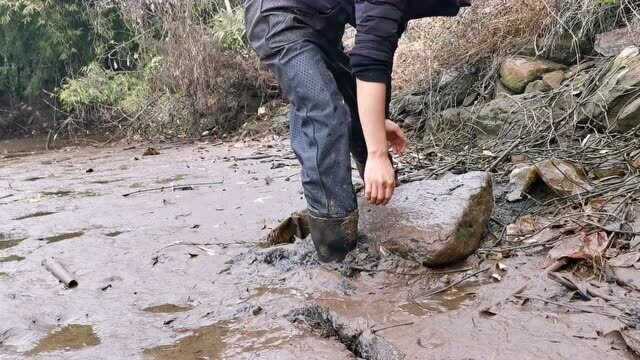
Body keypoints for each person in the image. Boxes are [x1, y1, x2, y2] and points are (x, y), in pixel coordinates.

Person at [245, 0, 470, 263]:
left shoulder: (392, 7)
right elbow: (371, 60)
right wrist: (377, 152)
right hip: (277, 17)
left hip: (323, 27)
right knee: (324, 112)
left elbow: (378, 55)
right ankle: (335, 251)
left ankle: (378, 189)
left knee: (354, 101)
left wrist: (379, 122)